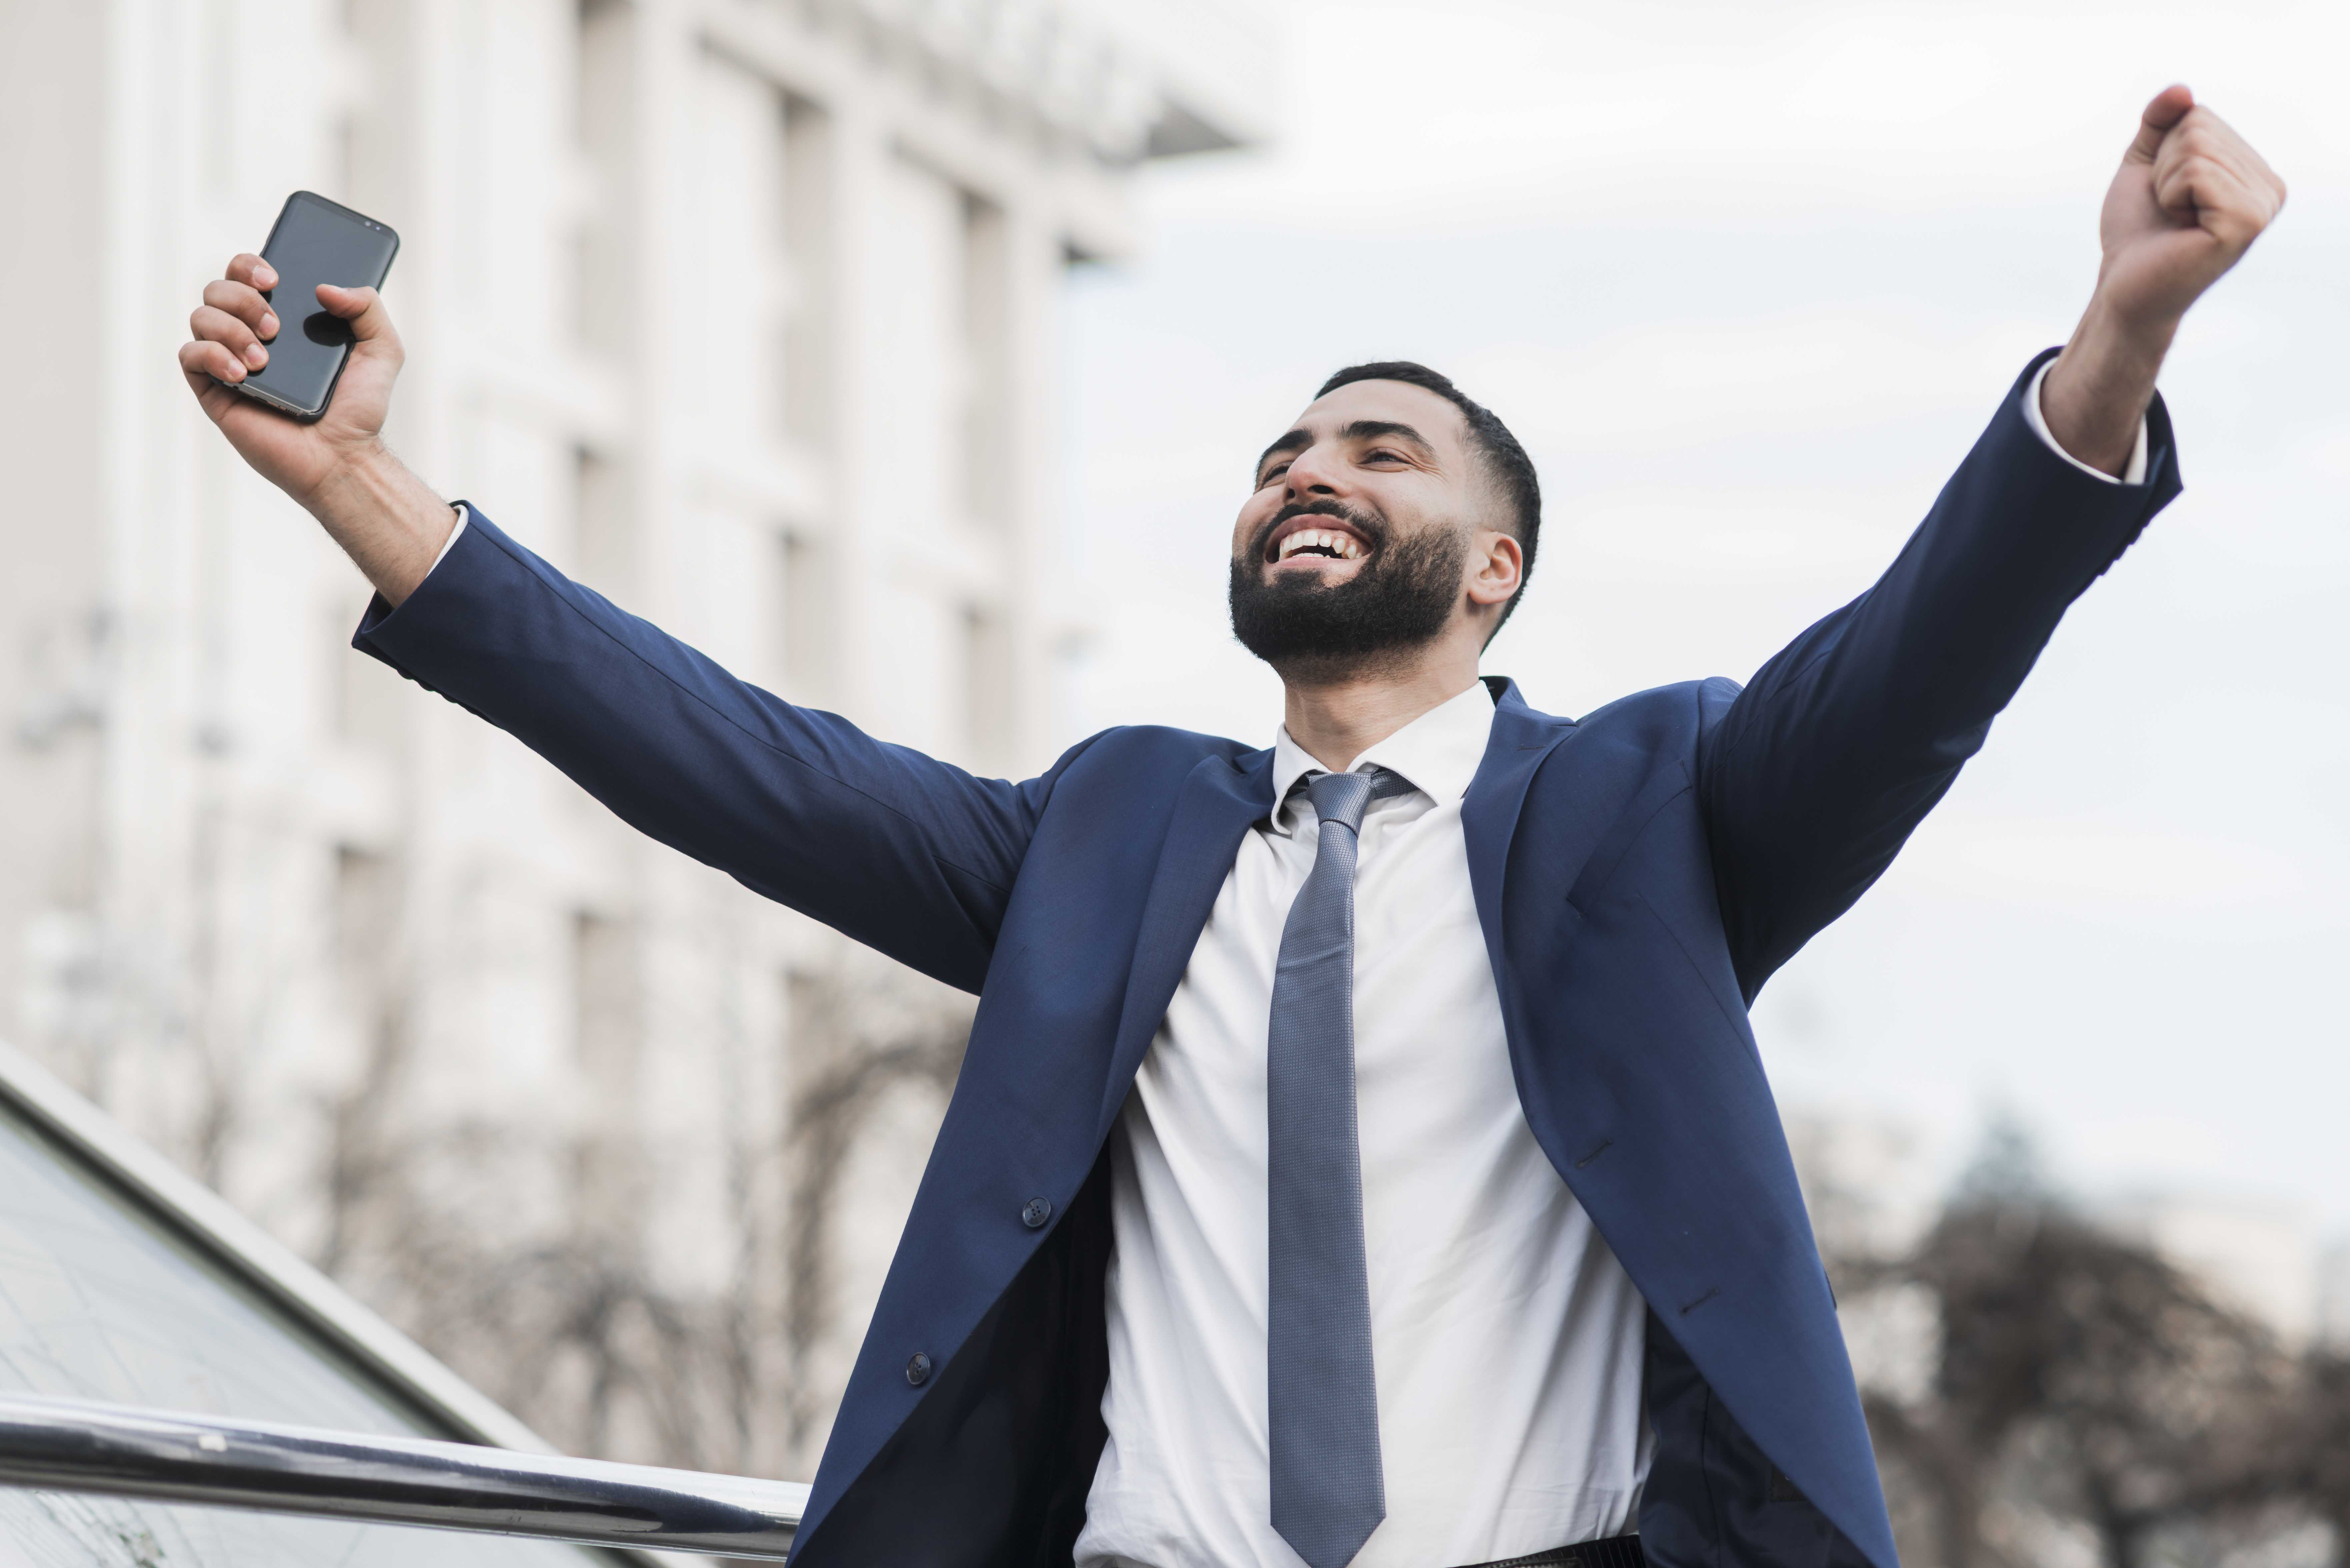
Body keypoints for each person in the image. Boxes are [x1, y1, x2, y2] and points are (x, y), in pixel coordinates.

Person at [179, 86, 2281, 1568]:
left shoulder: (1657, 812)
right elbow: (735, 759)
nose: (1307, 468)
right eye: (1280, 448)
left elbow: (1931, 647)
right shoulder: (1108, 834)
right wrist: (366, 491)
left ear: (1496, 569)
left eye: (1379, 446)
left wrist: (2125, 327)